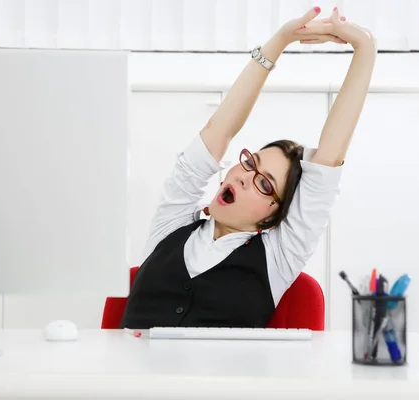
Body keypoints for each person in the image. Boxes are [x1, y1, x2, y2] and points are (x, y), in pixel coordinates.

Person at [120, 6, 376, 329]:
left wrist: (365, 49)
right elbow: (219, 129)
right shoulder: (171, 225)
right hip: (131, 378)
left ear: (271, 216)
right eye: (249, 164)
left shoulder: (278, 258)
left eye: (265, 184)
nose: (244, 178)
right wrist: (279, 41)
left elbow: (328, 161)